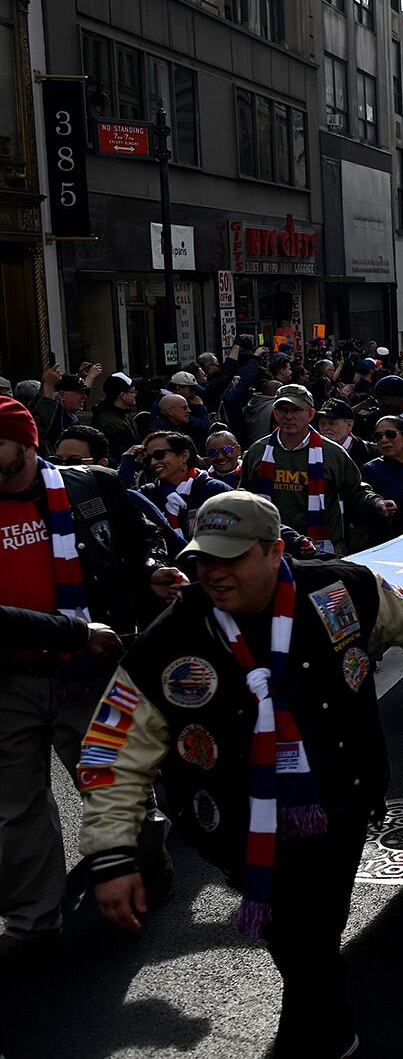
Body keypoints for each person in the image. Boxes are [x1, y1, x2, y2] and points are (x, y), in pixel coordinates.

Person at [78, 492, 403, 1057]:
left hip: (340, 799)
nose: (213, 573)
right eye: (203, 560)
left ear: (274, 550)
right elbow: (113, 752)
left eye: (230, 558)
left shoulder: (346, 588)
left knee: (307, 929)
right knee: (294, 932)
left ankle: (321, 1035)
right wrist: (112, 855)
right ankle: (326, 1022)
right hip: (232, 824)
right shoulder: (170, 639)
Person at [0, 396, 178, 961]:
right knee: (15, 808)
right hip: (10, 680)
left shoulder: (91, 488)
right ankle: (33, 923)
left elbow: (139, 540)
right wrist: (72, 631)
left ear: (25, 443)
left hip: (92, 673)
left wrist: (151, 574)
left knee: (114, 785)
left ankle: (146, 864)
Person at [238, 385, 395, 555]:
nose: (289, 416)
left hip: (322, 550)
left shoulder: (332, 453)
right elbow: (244, 494)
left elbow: (355, 491)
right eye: (283, 410)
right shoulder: (257, 451)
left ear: (310, 414)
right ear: (275, 414)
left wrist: (376, 503)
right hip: (270, 547)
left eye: (296, 410)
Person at [135, 429, 232, 541]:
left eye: (159, 455)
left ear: (184, 456)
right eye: (148, 458)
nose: (153, 462)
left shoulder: (216, 491)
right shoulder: (147, 494)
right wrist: (127, 464)